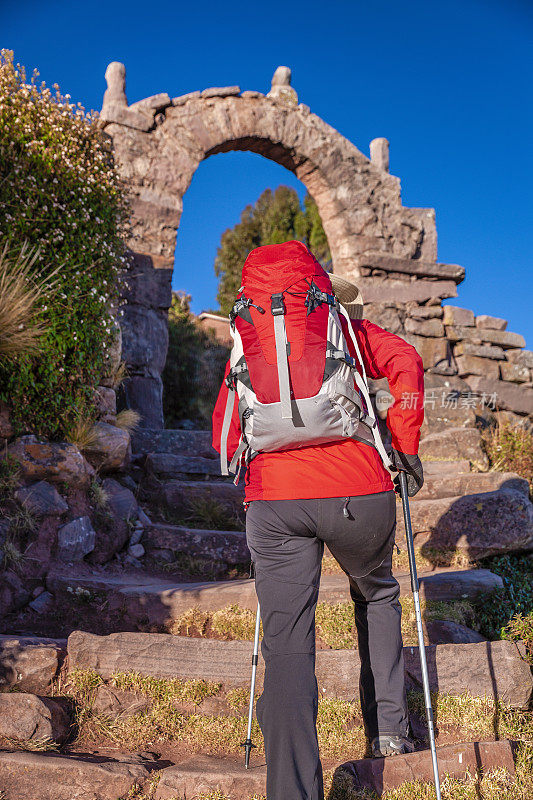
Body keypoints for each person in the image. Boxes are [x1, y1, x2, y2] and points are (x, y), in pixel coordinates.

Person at [212, 241, 425, 800]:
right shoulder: (348, 330)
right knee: (376, 593)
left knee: (286, 644)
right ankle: (389, 736)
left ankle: (291, 792)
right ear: (322, 292)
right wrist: (403, 445)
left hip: (276, 501)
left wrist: (254, 485)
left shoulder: (249, 337)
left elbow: (226, 429)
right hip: (359, 489)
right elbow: (408, 362)